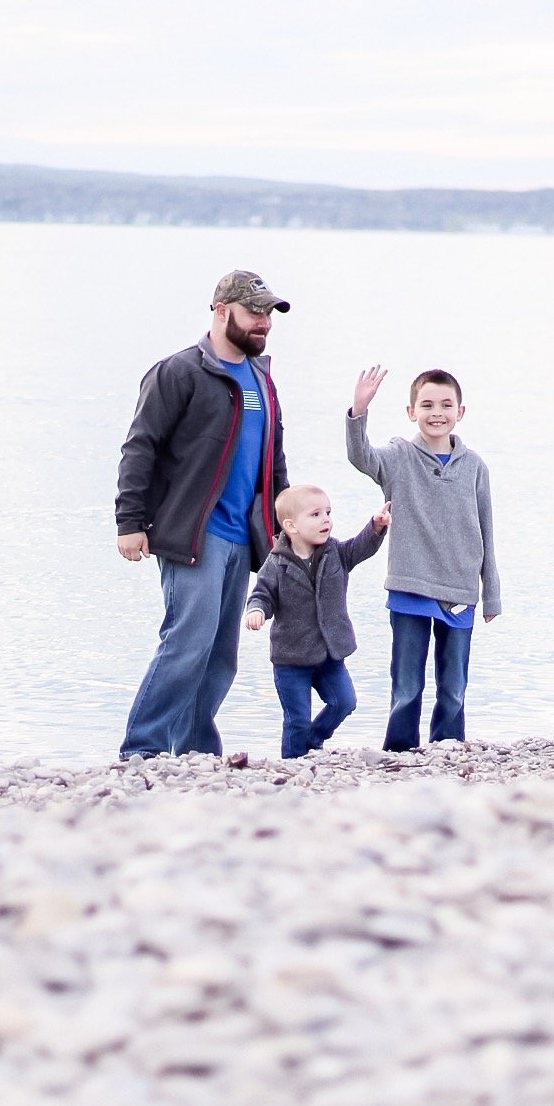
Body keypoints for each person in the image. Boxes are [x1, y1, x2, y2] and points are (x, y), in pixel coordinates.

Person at [115, 270, 291, 759]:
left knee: (220, 655)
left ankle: (194, 749)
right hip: (194, 534)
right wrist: (129, 523)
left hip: (243, 537)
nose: (263, 323)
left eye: (268, 315)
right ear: (220, 310)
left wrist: (283, 529)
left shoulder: (262, 379)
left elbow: (273, 461)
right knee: (186, 643)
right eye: (254, 313)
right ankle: (142, 749)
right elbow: (139, 448)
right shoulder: (179, 372)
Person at [345, 365, 501, 751]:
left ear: (460, 412)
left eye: (446, 405)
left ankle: (446, 750)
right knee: (407, 686)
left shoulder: (475, 466)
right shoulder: (399, 457)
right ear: (411, 411)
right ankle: (399, 751)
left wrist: (491, 593)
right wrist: (358, 411)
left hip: (460, 589)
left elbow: (486, 530)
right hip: (411, 586)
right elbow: (361, 456)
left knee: (453, 688)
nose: (437, 412)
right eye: (427, 404)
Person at [244, 486, 391, 759]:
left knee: (344, 702)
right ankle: (292, 763)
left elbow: (360, 548)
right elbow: (261, 594)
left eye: (328, 512)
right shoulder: (277, 563)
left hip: (329, 654)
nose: (326, 519)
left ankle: (314, 739)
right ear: (291, 526)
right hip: (291, 658)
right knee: (296, 719)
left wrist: (375, 527)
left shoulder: (335, 552)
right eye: (315, 514)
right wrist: (256, 611)